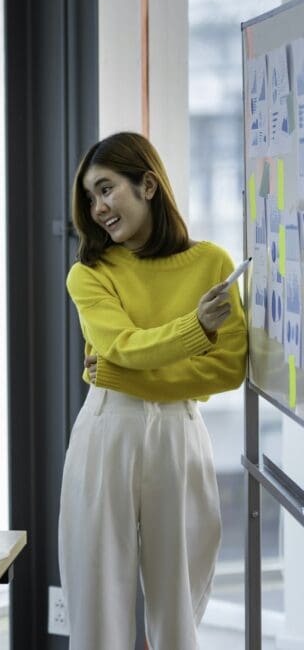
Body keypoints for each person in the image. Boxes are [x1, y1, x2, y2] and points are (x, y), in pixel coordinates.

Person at [59, 132, 247, 649]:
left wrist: (122, 373)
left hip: (178, 432)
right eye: (89, 198)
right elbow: (122, 344)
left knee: (181, 598)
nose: (97, 209)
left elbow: (227, 369)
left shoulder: (211, 263)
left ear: (147, 184)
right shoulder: (89, 273)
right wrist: (194, 331)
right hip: (107, 432)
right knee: (97, 600)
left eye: (106, 190)